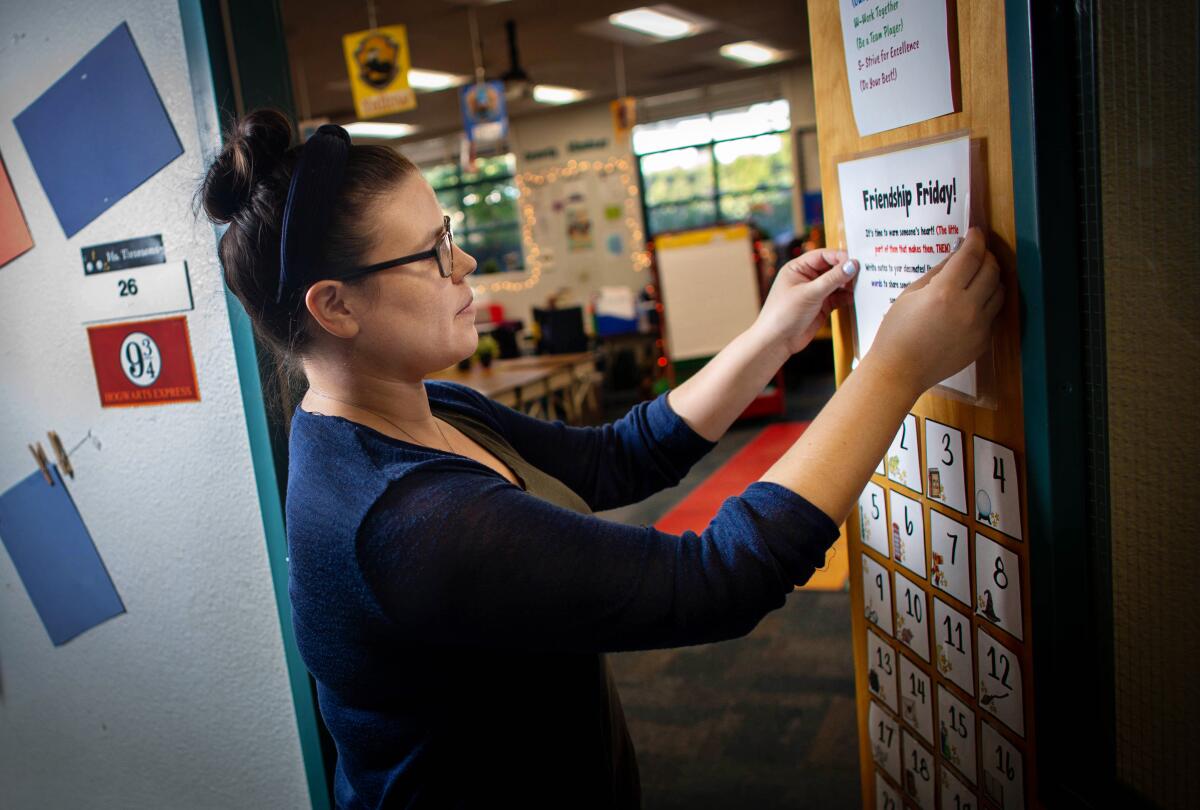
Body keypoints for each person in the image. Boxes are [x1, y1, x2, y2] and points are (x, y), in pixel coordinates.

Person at [199, 110, 1003, 809]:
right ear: (334, 306)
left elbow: (618, 457)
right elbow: (718, 581)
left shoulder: (418, 407)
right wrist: (895, 368)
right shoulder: (408, 521)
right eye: (435, 252)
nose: (466, 264)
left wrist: (772, 335)